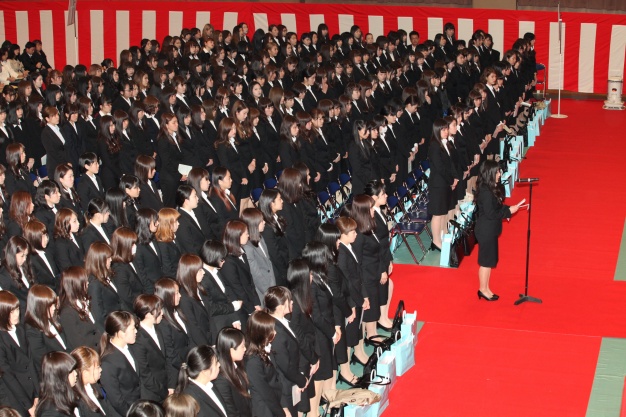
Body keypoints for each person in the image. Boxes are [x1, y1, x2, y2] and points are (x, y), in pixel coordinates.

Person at [474, 159, 522, 301]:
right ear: (490, 173)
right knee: (486, 262)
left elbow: (497, 207)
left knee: (489, 261)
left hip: (490, 229)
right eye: (497, 172)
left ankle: (486, 287)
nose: (500, 174)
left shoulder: (489, 188)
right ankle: (482, 289)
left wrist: (508, 209)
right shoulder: (486, 192)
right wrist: (508, 212)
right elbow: (491, 213)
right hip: (486, 230)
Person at [265, 286, 309, 416]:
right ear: (280, 307)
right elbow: (285, 366)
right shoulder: (276, 333)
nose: (292, 302)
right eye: (289, 300)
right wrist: (301, 379)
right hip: (285, 387)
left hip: (290, 380)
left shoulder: (282, 321)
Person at [0, 291, 39, 417]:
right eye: (11, 312)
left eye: (17, 309)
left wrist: (37, 393)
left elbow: (30, 361)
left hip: (32, 389)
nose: (17, 314)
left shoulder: (20, 329)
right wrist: (29, 405)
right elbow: (8, 376)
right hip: (16, 397)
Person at [130, 294, 172, 402]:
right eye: (159, 310)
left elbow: (168, 356)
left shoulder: (159, 328)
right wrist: (165, 392)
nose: (162, 313)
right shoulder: (137, 339)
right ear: (148, 314)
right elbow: (145, 374)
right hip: (155, 394)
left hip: (168, 385)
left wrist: (171, 385)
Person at [199, 240, 243, 341]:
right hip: (217, 325)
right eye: (222, 259)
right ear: (213, 257)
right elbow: (211, 308)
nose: (224, 261)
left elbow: (227, 295)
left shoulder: (216, 271)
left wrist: (234, 318)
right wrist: (233, 307)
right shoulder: (202, 278)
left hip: (228, 318)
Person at [99, 311, 140, 416]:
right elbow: (117, 401)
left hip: (138, 405)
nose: (136, 331)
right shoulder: (107, 363)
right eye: (133, 329)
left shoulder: (130, 347)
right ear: (121, 333)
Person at [244, 310, 285, 417]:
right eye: (271, 330)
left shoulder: (264, 348)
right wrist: (282, 413)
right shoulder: (253, 362)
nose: (275, 332)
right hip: (266, 410)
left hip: (276, 402)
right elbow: (266, 393)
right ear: (261, 334)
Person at [220, 220, 261, 323]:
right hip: (242, 308)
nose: (248, 235)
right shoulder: (228, 261)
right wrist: (251, 309)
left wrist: (256, 302)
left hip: (250, 301)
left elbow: (250, 280)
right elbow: (237, 288)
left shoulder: (242, 251)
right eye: (246, 233)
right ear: (237, 236)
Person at [154, 278, 192, 389]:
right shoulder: (163, 323)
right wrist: (189, 367)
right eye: (176, 293)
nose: (180, 295)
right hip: (179, 372)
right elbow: (171, 356)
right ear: (167, 296)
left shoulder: (178, 311)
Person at [427, 118, 458, 251]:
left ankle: (441, 235)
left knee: (443, 212)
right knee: (437, 213)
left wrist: (454, 178)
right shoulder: (434, 146)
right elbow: (439, 167)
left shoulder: (444, 143)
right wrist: (451, 180)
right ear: (437, 131)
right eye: (443, 129)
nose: (446, 132)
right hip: (438, 184)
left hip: (445, 182)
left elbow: (450, 163)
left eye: (446, 129)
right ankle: (436, 240)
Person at [24, 285, 69, 373]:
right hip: (56, 371)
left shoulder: (53, 317)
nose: (54, 308)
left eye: (54, 304)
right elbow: (44, 360)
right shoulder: (32, 330)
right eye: (50, 306)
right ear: (39, 307)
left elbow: (67, 342)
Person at [175, 345, 228, 417]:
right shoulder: (190, 399)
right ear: (205, 371)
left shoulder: (209, 384)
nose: (219, 364)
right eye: (216, 363)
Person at [57, 267, 101, 351]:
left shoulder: (84, 300)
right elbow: (78, 344)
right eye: (85, 281)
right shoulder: (67, 313)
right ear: (76, 285)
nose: (88, 283)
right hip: (90, 353)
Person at [71, 346, 121, 417]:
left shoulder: (94, 385)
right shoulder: (76, 402)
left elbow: (109, 409)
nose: (100, 369)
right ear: (85, 373)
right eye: (97, 367)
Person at [176, 254, 213, 347]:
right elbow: (194, 328)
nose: (203, 272)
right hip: (201, 345)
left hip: (210, 336)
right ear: (191, 273)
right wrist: (207, 349)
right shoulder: (184, 298)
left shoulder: (200, 287)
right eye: (200, 270)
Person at [213, 328, 252, 417]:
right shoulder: (220, 379)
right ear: (230, 350)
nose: (245, 349)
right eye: (242, 346)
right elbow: (230, 411)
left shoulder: (238, 365)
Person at [241, 208, 276, 302]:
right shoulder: (247, 247)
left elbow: (268, 263)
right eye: (261, 221)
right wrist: (269, 293)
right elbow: (256, 275)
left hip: (271, 284)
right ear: (254, 224)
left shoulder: (260, 237)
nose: (264, 222)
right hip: (262, 292)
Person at [258, 189, 289, 287]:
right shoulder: (267, 227)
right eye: (279, 199)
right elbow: (274, 253)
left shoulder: (276, 216)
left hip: (285, 261)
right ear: (272, 203)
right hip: (279, 271)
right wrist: (285, 271)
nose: (282, 201)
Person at [85, 242, 121, 326]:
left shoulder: (107, 273)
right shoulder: (94, 284)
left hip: (119, 318)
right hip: (112, 325)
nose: (111, 260)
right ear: (99, 261)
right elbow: (99, 315)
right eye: (108, 258)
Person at [34, 351, 78, 417]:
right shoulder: (50, 413)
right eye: (71, 371)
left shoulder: (61, 398)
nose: (76, 374)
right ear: (61, 376)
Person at [110, 227, 143, 311]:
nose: (135, 246)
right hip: (136, 308)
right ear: (124, 247)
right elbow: (128, 297)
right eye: (132, 244)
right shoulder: (119, 270)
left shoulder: (130, 259)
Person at [0, 236, 35, 313]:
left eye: (26, 255)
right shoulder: (4, 276)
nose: (25, 259)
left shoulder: (25, 265)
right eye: (22, 256)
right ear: (12, 254)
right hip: (21, 312)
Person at [23, 220, 60, 292]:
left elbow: (55, 275)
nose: (46, 239)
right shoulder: (30, 260)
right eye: (42, 237)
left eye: (46, 235)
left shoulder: (48, 252)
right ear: (34, 238)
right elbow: (36, 286)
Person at [133, 208, 163, 293]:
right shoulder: (137, 247)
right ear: (146, 223)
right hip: (153, 290)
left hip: (161, 283)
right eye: (155, 221)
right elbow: (142, 275)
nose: (158, 223)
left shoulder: (153, 238)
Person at [155, 208, 182, 277]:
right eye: (176, 221)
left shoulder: (172, 235)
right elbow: (167, 270)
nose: (178, 223)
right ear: (168, 224)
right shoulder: (162, 244)